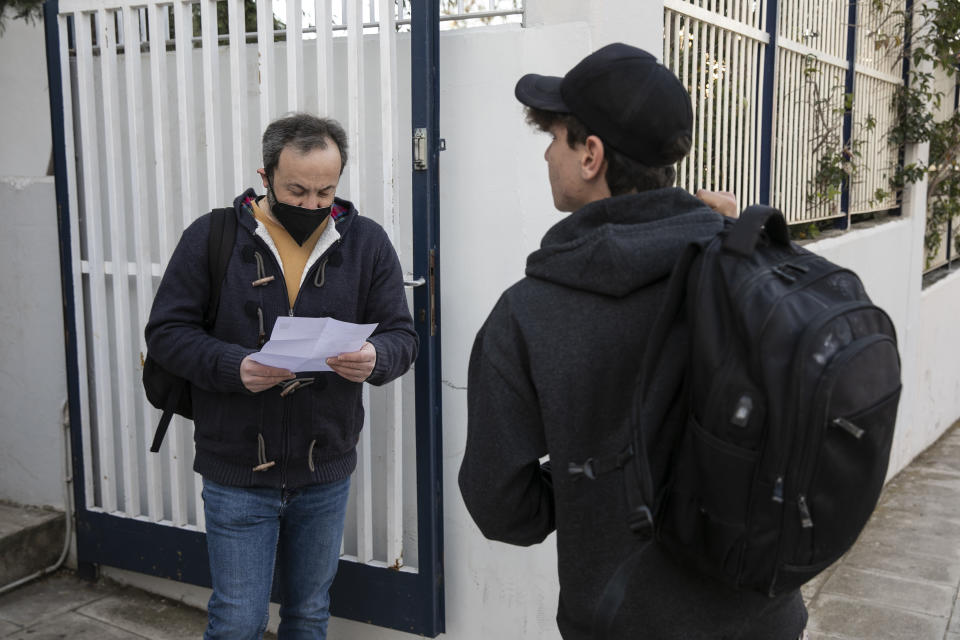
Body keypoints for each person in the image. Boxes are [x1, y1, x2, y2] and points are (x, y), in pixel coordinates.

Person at [458, 44, 808, 639]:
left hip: (622, 620)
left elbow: (500, 504)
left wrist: (583, 494)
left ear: (591, 155)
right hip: (764, 613)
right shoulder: (746, 262)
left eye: (556, 136)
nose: (547, 153)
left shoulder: (529, 312)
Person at [145, 113, 418, 639]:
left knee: (310, 615)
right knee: (238, 620)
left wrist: (374, 357)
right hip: (238, 469)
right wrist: (234, 367)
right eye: (297, 190)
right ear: (265, 174)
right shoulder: (212, 236)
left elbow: (402, 337)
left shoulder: (366, 242)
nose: (313, 205)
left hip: (325, 470)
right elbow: (167, 332)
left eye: (326, 191)